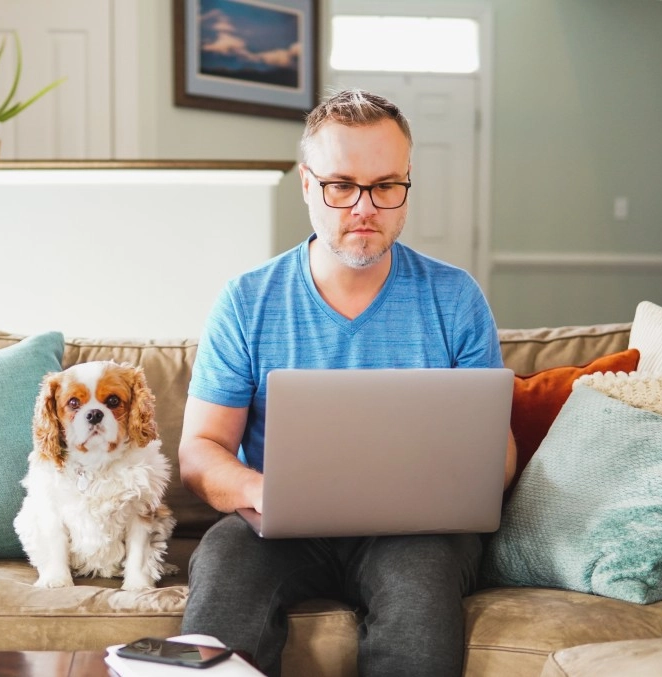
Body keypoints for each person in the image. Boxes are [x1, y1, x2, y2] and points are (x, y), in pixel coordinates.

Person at [178, 89, 517, 677]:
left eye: (386, 185)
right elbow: (200, 450)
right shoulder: (246, 301)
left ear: (407, 183)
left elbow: (500, 449)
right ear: (308, 185)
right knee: (225, 565)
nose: (365, 207)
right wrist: (262, 493)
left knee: (420, 587)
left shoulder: (455, 298)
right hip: (277, 529)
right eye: (342, 185)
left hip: (417, 532)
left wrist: (476, 475)